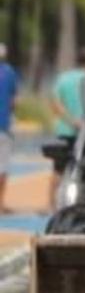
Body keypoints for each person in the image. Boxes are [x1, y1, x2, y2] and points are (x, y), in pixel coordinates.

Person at [48, 48, 85, 207]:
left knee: (58, 169)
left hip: (64, 130)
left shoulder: (63, 78)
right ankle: (81, 204)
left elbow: (55, 104)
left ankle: (50, 205)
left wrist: (70, 120)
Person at [0, 44, 18, 212]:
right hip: (3, 125)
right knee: (3, 165)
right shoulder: (9, 72)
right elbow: (14, 101)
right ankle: (0, 203)